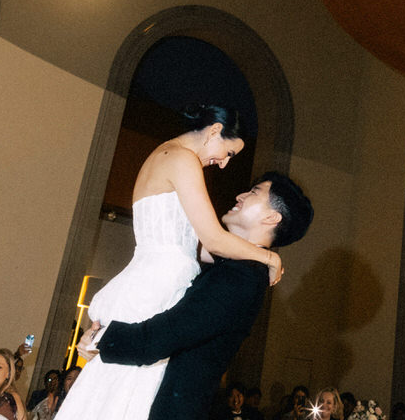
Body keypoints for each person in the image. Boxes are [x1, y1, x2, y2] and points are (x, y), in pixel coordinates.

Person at [55, 105, 283, 420]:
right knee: (131, 388)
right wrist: (267, 255)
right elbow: (214, 240)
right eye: (228, 152)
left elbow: (200, 249)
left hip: (156, 277)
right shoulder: (182, 159)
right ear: (215, 130)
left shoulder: (168, 155)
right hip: (157, 286)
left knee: (121, 385)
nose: (224, 163)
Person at [79, 171, 313, 420]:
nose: (240, 195)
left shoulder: (242, 278)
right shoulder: (234, 268)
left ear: (271, 217)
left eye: (254, 192)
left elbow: (161, 337)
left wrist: (100, 338)